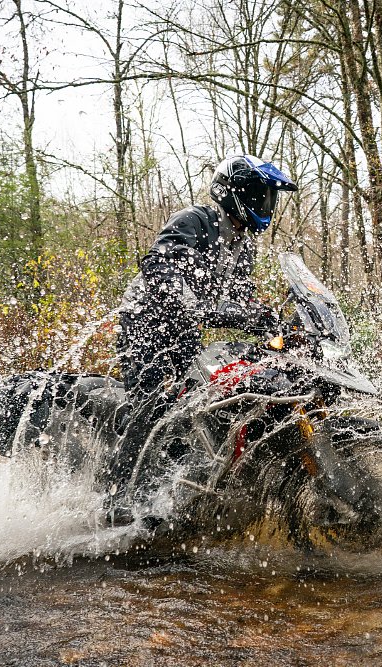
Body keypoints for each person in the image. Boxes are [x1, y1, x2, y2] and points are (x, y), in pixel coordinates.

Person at [107, 155, 298, 489]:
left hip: (184, 329)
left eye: (269, 196)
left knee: (197, 399)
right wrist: (189, 299)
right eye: (258, 194)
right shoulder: (194, 219)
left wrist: (275, 323)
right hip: (145, 323)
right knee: (151, 402)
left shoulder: (244, 246)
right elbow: (161, 265)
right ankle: (119, 494)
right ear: (231, 192)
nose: (265, 203)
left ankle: (185, 481)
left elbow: (241, 300)